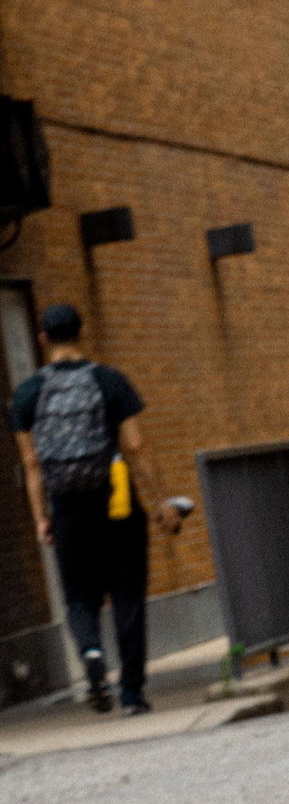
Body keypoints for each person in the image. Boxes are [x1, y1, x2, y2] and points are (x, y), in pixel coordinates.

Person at [9, 303, 182, 714]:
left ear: (43, 339)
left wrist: (41, 517)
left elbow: (32, 464)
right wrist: (161, 502)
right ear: (81, 334)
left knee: (80, 598)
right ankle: (132, 693)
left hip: (68, 508)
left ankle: (90, 652)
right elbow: (136, 446)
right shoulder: (109, 381)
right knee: (127, 595)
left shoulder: (28, 393)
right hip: (117, 502)